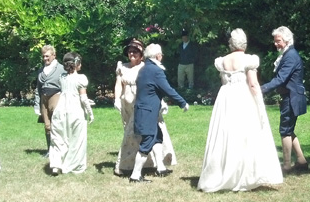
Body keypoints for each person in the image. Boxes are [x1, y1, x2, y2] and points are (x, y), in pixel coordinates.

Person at [198, 29, 283, 192]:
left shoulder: (222, 61)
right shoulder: (248, 60)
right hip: (242, 96)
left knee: (225, 133)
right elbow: (252, 83)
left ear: (231, 43)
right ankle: (242, 175)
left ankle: (222, 172)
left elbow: (223, 80)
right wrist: (259, 101)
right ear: (244, 43)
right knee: (244, 133)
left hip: (225, 97)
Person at [113, 39, 177, 177]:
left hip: (144, 104)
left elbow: (155, 85)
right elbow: (119, 85)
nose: (132, 53)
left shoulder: (146, 67)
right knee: (132, 134)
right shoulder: (122, 67)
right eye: (130, 51)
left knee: (152, 131)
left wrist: (162, 102)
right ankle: (131, 165)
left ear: (141, 53)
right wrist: (117, 99)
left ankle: (156, 165)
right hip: (127, 103)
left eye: (135, 51)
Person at [130, 43, 189, 183]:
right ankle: (135, 175)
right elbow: (167, 89)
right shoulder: (155, 71)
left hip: (144, 111)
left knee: (157, 137)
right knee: (147, 142)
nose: (162, 56)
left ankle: (160, 168)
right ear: (157, 56)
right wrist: (182, 102)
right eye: (161, 54)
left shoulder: (144, 69)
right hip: (147, 112)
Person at [260, 26, 309, 174]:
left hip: (292, 97)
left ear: (287, 40)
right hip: (290, 96)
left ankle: (286, 165)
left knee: (285, 131)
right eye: (275, 41)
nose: (275, 44)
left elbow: (281, 79)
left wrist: (260, 89)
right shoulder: (288, 54)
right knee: (289, 129)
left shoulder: (291, 56)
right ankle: (301, 161)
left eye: (278, 41)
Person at [48, 53, 94, 175]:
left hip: (61, 108)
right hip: (75, 110)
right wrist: (90, 112)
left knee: (59, 137)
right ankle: (73, 165)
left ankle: (56, 165)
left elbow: (68, 92)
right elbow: (83, 98)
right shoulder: (81, 78)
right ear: (77, 64)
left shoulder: (62, 77)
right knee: (76, 139)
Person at [33, 45, 65, 157]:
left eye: (47, 56)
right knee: (47, 125)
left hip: (56, 96)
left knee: (57, 124)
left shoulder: (61, 68)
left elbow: (66, 86)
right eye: (43, 56)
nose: (45, 58)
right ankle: (49, 150)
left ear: (53, 55)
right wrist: (37, 105)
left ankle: (60, 149)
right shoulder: (41, 70)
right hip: (44, 98)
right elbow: (38, 88)